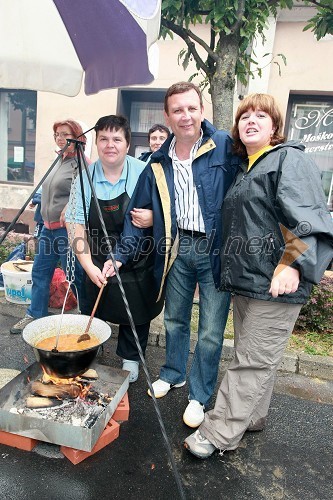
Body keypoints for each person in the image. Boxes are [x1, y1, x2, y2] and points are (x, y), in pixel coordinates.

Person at [184, 93, 333, 459]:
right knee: (258, 356)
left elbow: (310, 220)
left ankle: (219, 434)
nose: (251, 120)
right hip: (249, 282)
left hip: (276, 283)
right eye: (245, 116)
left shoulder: (288, 159)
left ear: (274, 127)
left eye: (260, 116)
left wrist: (292, 264)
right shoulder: (249, 166)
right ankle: (252, 415)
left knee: (249, 360)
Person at [103, 82, 240, 427]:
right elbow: (138, 214)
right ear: (167, 115)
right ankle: (174, 372)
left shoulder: (224, 145)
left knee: (210, 329)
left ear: (202, 110)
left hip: (215, 248)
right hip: (176, 248)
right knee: (176, 318)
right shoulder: (157, 161)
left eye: (191, 108)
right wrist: (119, 257)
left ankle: (199, 394)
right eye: (178, 110)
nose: (185, 116)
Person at [67, 115, 164, 383]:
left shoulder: (144, 173)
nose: (110, 145)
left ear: (128, 144)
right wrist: (88, 266)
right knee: (93, 304)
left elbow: (165, 211)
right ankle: (90, 349)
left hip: (137, 255)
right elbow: (75, 225)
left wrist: (153, 217)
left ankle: (131, 357)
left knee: (136, 308)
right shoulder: (84, 178)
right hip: (96, 253)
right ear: (96, 143)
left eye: (117, 139)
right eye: (104, 139)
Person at [10, 119, 87, 334]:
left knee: (75, 277)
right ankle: (35, 316)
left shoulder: (81, 163)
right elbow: (49, 190)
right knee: (40, 274)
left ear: (77, 137)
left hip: (67, 231)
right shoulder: (58, 161)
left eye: (65, 134)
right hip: (47, 228)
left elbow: (85, 194)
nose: (60, 138)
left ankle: (86, 322)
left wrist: (70, 207)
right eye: (57, 135)